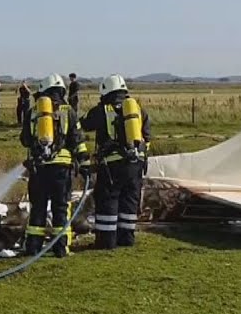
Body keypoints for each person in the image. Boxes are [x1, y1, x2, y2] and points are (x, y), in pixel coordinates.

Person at [20, 74, 88, 256]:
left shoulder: (33, 112)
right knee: (61, 208)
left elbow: (25, 140)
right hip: (62, 169)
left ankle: (33, 247)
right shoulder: (68, 111)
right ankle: (60, 248)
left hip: (39, 168)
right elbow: (77, 139)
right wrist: (84, 162)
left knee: (38, 208)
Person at [80, 75, 151, 249]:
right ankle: (126, 239)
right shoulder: (138, 110)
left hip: (112, 166)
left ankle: (106, 241)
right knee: (130, 200)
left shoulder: (102, 110)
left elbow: (83, 125)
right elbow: (147, 137)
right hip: (136, 164)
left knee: (108, 201)